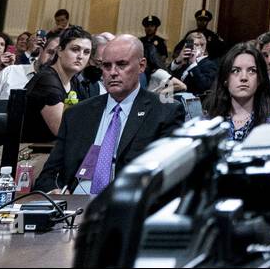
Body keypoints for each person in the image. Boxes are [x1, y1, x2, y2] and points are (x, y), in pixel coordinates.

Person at [35, 35, 183, 194]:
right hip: (73, 205)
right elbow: (47, 176)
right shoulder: (76, 114)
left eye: (121, 64)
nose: (112, 72)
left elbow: (169, 180)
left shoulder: (165, 112)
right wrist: (53, 191)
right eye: (106, 66)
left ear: (141, 66)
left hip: (125, 205)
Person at [22, 28, 93, 144]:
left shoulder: (74, 82)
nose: (81, 56)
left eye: (86, 52)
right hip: (27, 154)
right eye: (75, 49)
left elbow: (90, 118)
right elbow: (62, 131)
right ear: (59, 51)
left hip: (54, 151)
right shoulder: (46, 80)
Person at [205, 41, 270, 141]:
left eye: (252, 71)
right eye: (236, 71)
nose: (244, 78)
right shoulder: (208, 125)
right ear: (225, 79)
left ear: (259, 79)